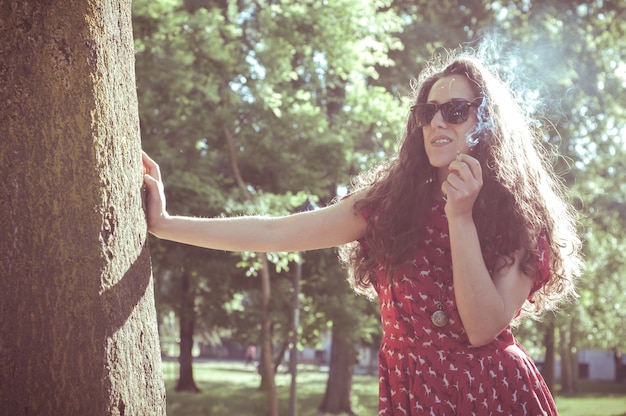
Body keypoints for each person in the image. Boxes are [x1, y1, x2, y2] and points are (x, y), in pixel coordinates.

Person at [142, 50, 581, 415]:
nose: (437, 123)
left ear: (486, 123)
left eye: (456, 111)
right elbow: (276, 233)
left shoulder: (521, 216)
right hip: (413, 397)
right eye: (427, 112)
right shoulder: (391, 203)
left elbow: (483, 328)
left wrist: (460, 217)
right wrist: (165, 224)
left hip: (493, 396)